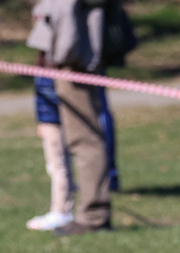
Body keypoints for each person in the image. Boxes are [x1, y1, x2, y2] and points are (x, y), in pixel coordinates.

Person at [26, 0, 112, 236]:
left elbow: (65, 15)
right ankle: (91, 212)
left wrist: (63, 59)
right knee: (80, 141)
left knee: (85, 141)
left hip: (74, 65)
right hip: (69, 63)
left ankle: (93, 215)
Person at [25, 76, 119, 231]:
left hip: (54, 119)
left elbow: (48, 94)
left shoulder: (55, 72)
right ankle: (67, 209)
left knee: (60, 164)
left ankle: (63, 210)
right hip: (52, 116)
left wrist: (47, 119)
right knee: (59, 164)